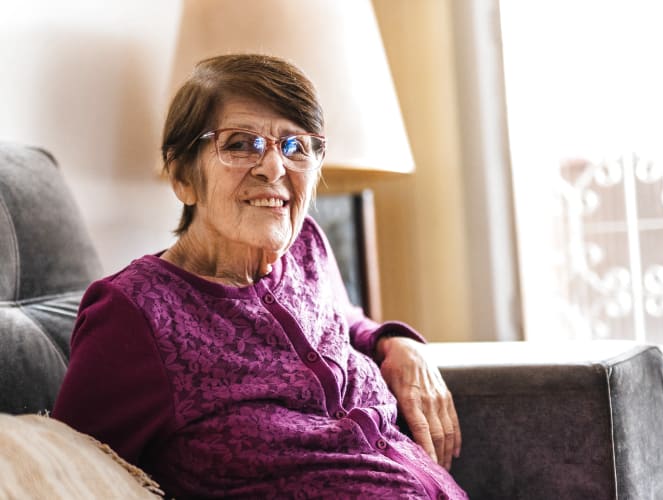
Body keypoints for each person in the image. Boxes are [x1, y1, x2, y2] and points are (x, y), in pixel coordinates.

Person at [53, 54, 467, 499]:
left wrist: (397, 343)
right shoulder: (136, 312)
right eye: (240, 144)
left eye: (296, 146)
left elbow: (345, 325)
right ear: (182, 176)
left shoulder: (307, 245)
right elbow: (62, 475)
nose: (274, 168)